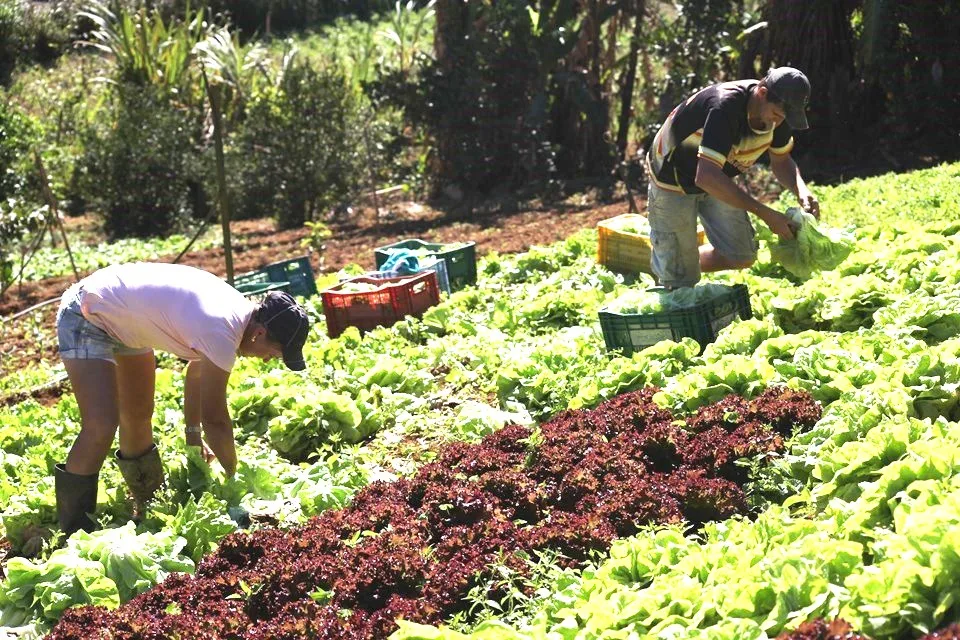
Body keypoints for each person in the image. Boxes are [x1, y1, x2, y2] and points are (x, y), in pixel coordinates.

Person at [53, 262, 310, 537]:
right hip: (88, 313)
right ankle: (74, 529)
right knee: (101, 424)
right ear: (259, 333)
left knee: (138, 416)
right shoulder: (222, 329)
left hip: (124, 320)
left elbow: (196, 374)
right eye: (274, 352)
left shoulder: (237, 319)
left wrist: (193, 436)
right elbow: (216, 419)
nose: (269, 359)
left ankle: (149, 505)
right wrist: (235, 479)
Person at [645, 66, 821, 288]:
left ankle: (668, 262)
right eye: (776, 114)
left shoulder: (779, 114)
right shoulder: (724, 107)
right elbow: (706, 177)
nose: (778, 122)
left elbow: (782, 160)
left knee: (742, 255)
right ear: (762, 93)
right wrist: (766, 214)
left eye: (784, 116)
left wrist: (802, 190)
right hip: (672, 176)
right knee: (679, 281)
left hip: (716, 174)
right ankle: (671, 267)